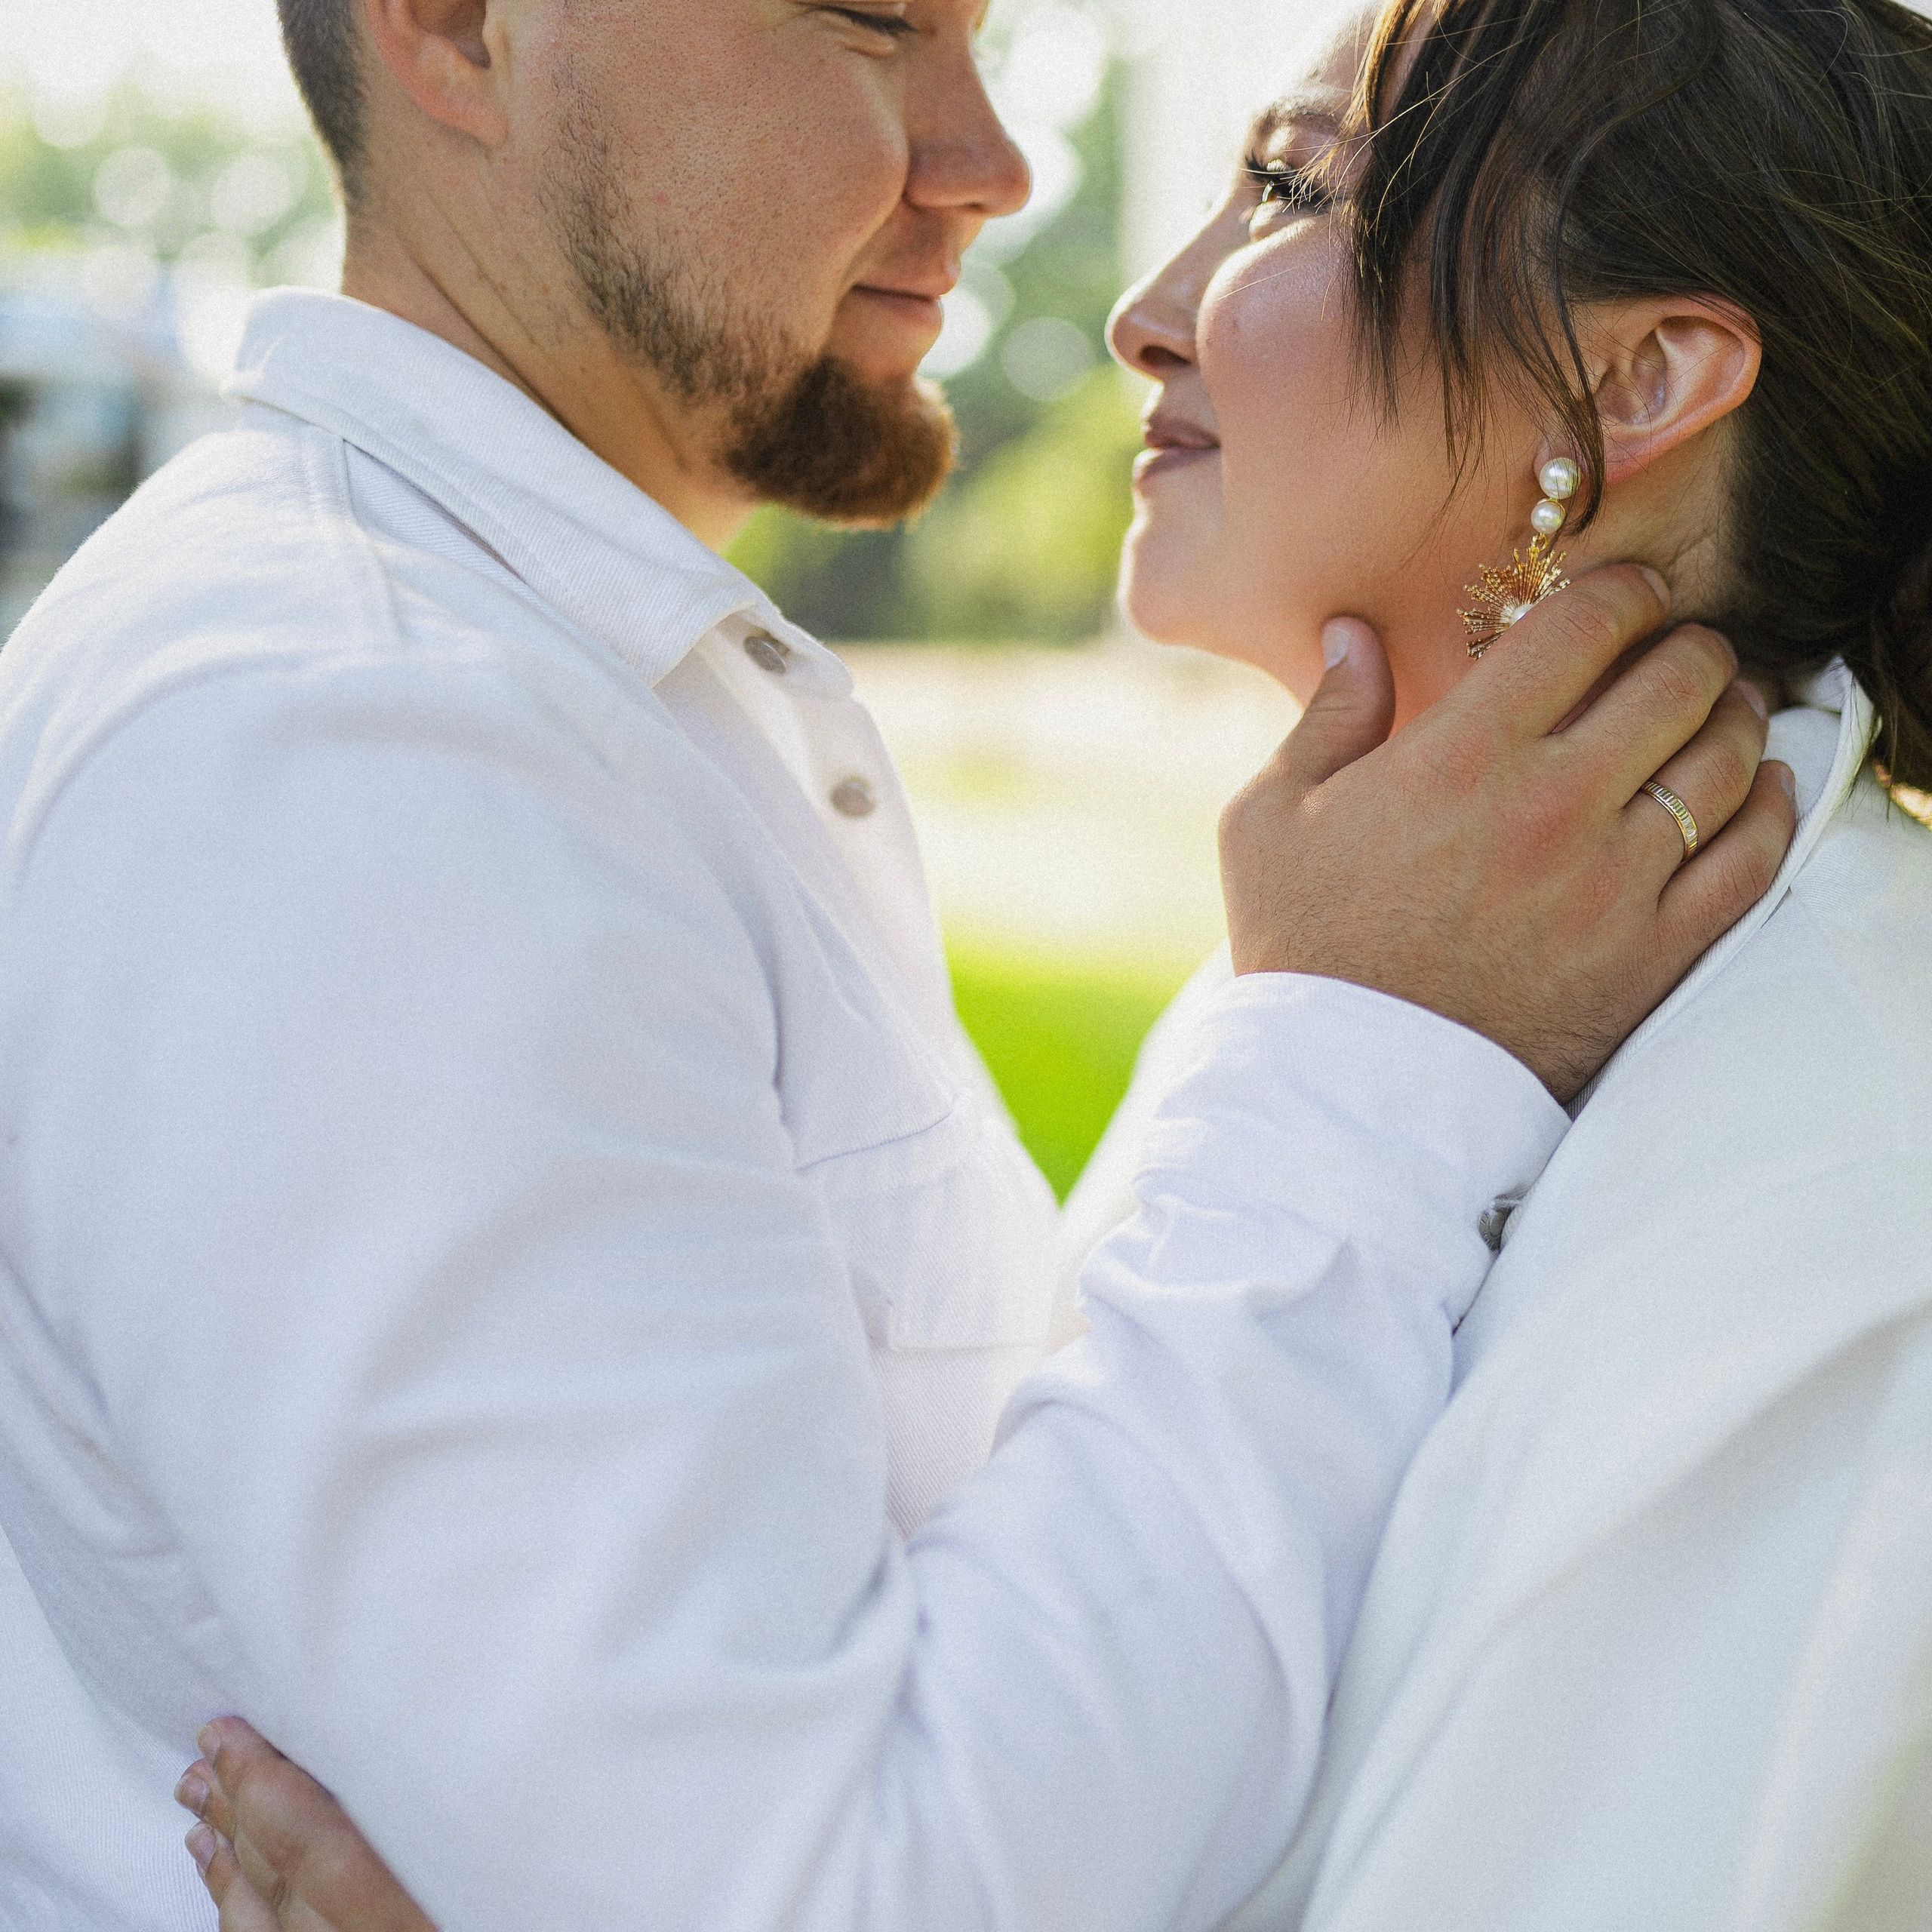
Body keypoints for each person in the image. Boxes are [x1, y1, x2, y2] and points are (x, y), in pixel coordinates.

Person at [0, 1, 1785, 1930]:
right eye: (870, 26)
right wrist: (1357, 1056)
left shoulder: (574, 697)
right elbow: (819, 1895)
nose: (992, 162)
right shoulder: (357, 746)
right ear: (456, 28)